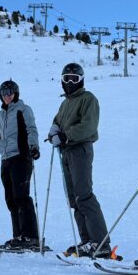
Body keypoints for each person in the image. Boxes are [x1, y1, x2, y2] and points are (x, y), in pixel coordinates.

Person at [47, 63, 111, 258]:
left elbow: (89, 126)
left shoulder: (88, 99)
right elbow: (58, 121)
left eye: (74, 79)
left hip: (80, 149)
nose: (69, 83)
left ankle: (100, 243)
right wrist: (54, 130)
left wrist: (66, 136)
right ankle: (87, 241)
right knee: (74, 198)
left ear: (81, 80)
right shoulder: (65, 103)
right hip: (66, 152)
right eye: (66, 78)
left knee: (84, 195)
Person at [0, 80, 42, 250]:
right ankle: (18, 236)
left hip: (21, 157)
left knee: (21, 197)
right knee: (11, 200)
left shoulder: (23, 110)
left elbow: (31, 129)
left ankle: (30, 237)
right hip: (6, 160)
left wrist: (34, 147)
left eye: (10, 92)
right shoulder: (0, 115)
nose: (7, 96)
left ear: (16, 93)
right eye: (4, 93)